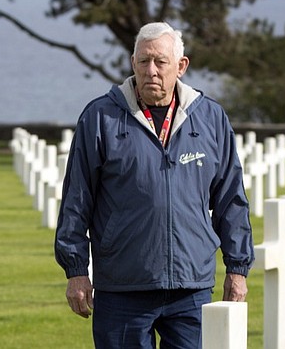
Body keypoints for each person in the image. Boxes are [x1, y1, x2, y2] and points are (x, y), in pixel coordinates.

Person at [54, 21, 254, 348]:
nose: (151, 71)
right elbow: (77, 201)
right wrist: (76, 269)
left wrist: (238, 267)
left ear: (181, 66)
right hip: (123, 288)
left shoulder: (211, 119)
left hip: (192, 287)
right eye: (143, 61)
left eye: (161, 62)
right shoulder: (99, 118)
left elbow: (231, 199)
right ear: (133, 63)